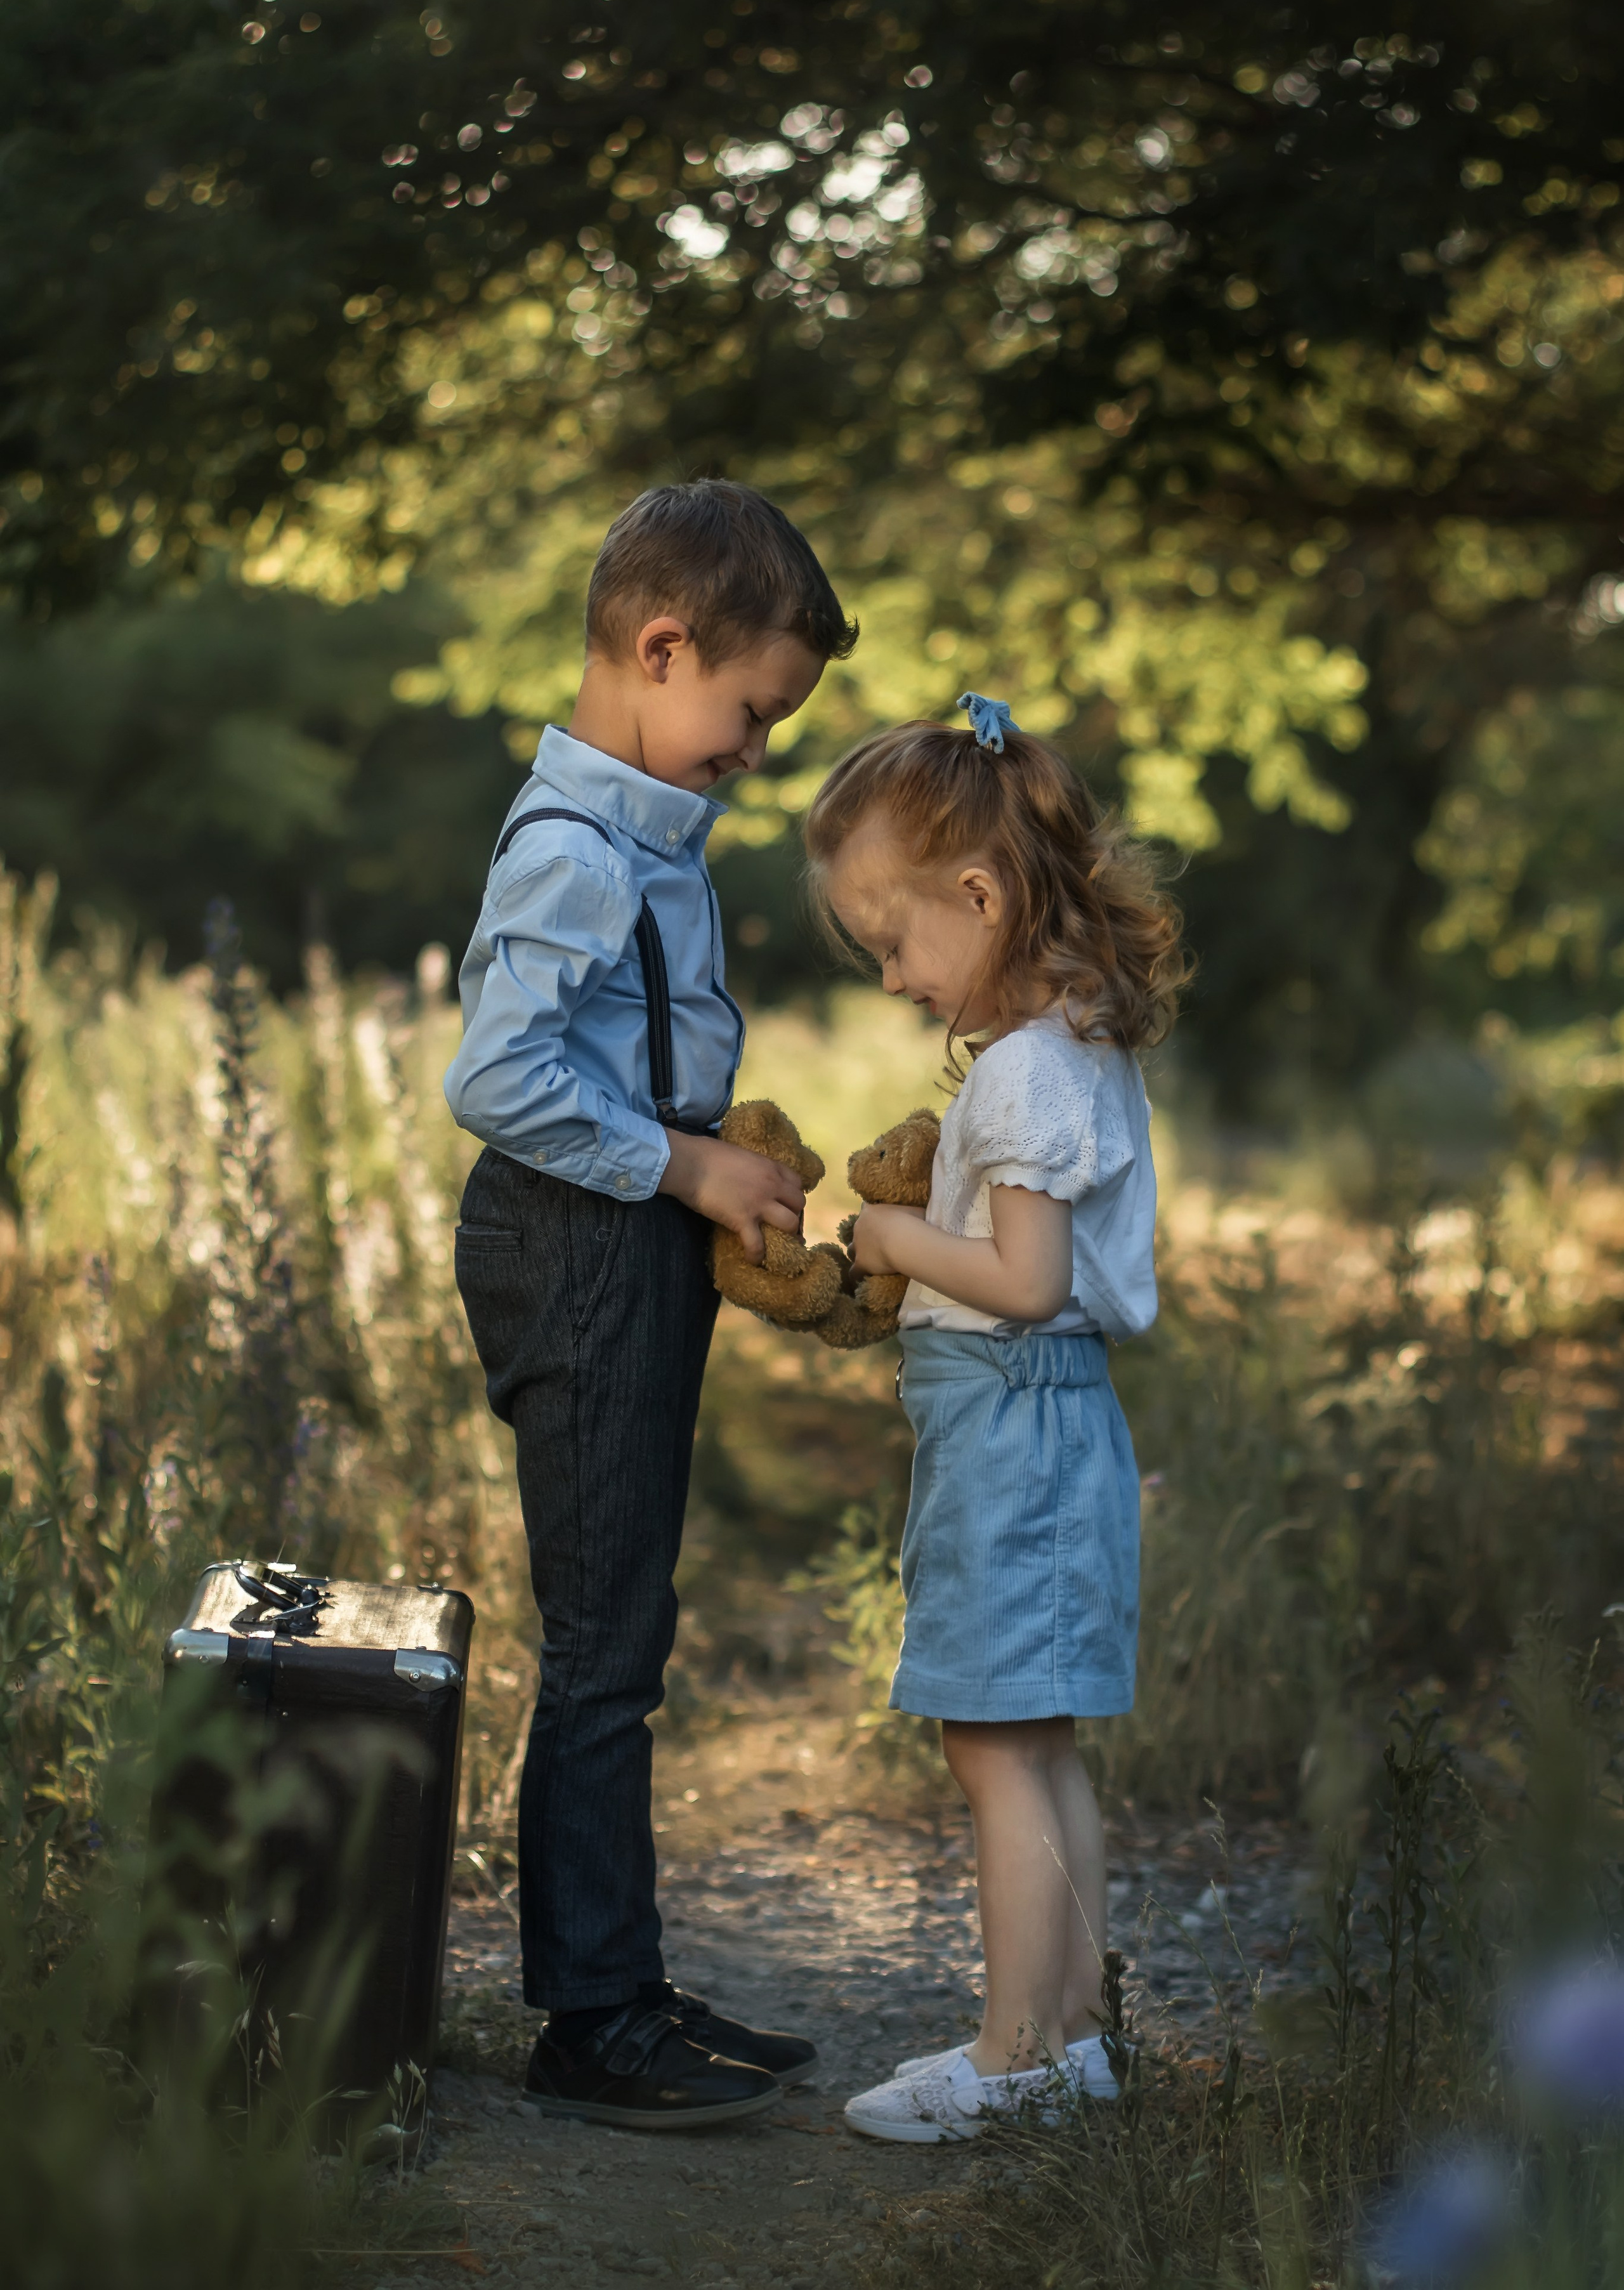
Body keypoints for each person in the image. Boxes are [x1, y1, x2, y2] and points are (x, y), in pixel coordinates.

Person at [446, 479, 856, 2130]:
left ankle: (621, 1973)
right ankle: (592, 2019)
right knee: (608, 1643)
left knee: (632, 1629)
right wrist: (686, 1174)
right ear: (661, 646)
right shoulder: (575, 852)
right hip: (579, 1242)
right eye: (753, 711)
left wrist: (718, 1162)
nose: (758, 747)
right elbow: (500, 1076)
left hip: (629, 1235)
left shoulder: (646, 838)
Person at [801, 693, 1189, 2144]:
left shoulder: (1028, 1068)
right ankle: (1070, 2039)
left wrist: (895, 1243)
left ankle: (1015, 2049)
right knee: (1032, 1740)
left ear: (978, 895)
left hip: (1017, 1433)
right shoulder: (1074, 1042)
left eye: (893, 941)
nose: (892, 977)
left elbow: (1023, 1282)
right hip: (1043, 1428)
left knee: (993, 1742)